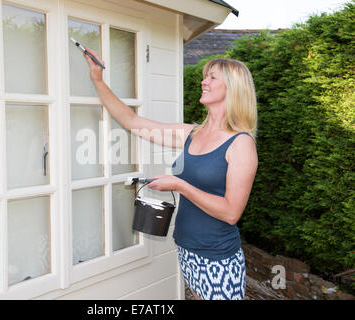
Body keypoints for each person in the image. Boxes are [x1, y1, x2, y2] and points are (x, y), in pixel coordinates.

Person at [83, 49, 258, 300]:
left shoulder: (240, 144)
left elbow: (231, 213)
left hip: (217, 256)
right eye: (205, 76)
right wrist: (97, 79)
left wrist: (179, 184)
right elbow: (132, 121)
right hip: (187, 248)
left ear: (233, 89)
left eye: (212, 78)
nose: (203, 82)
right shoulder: (192, 134)